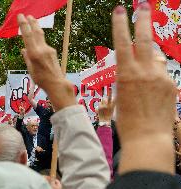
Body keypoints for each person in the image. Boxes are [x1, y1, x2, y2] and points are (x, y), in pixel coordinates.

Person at [18, 13, 110, 189]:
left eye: (53, 101)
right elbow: (30, 99)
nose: (52, 103)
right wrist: (36, 84)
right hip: (44, 149)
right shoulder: (44, 112)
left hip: (59, 146)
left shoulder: (60, 112)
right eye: (50, 101)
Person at [15, 106, 47, 171]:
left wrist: (41, 151)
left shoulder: (42, 138)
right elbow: (18, 127)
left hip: (39, 169)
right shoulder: (25, 135)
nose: (35, 128)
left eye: (36, 126)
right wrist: (21, 115)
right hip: (26, 168)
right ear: (27, 128)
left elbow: (47, 154)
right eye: (33, 126)